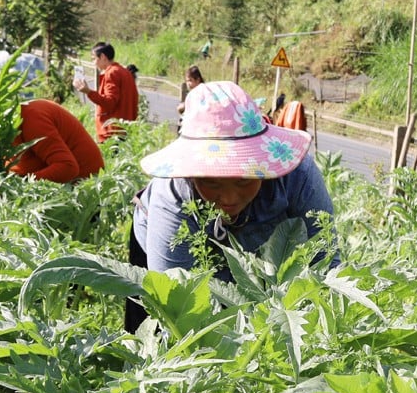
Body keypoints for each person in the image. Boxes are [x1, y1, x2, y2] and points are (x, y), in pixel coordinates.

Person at [127, 80, 333, 331]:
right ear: (191, 175)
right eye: (212, 184)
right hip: (161, 242)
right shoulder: (172, 193)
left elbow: (326, 263)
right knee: (158, 333)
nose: (229, 198)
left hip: (255, 253)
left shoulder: (297, 176)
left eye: (244, 180)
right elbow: (175, 300)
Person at [0, 51, 104, 184]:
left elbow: (67, 168)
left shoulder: (31, 117)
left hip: (84, 186)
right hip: (52, 182)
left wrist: (19, 186)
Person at [75, 42, 139, 141]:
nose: (93, 63)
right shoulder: (125, 72)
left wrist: (88, 92)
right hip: (125, 128)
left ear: (103, 57)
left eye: (94, 58)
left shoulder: (112, 73)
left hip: (112, 132)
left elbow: (109, 102)